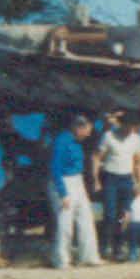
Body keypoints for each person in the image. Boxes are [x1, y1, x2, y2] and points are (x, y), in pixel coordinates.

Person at [49, 113, 102, 268]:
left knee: (86, 218)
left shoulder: (79, 142)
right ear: (78, 127)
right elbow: (55, 168)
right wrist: (63, 193)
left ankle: (89, 256)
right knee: (64, 222)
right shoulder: (61, 141)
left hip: (77, 180)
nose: (88, 134)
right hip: (63, 181)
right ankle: (61, 259)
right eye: (87, 130)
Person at [93, 111, 140, 261]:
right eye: (128, 126)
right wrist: (96, 179)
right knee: (109, 214)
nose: (130, 129)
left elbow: (137, 162)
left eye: (133, 126)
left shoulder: (136, 139)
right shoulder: (109, 136)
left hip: (126, 179)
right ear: (122, 124)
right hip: (111, 177)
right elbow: (97, 157)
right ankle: (103, 245)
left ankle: (118, 247)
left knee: (123, 216)